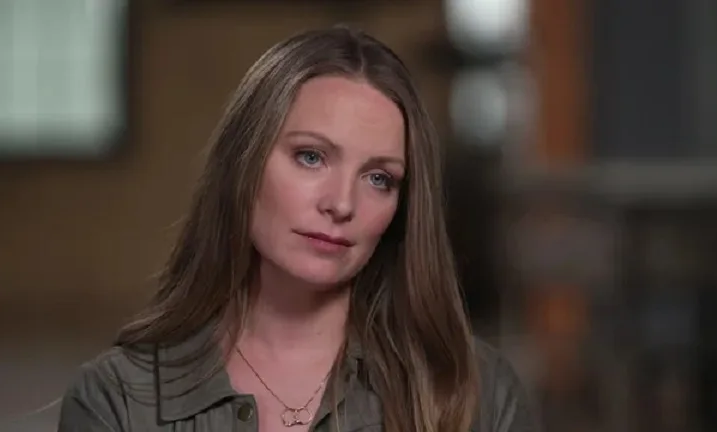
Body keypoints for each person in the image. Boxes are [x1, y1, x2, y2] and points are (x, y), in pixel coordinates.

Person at [57, 25, 536, 432]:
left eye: (379, 178)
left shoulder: (476, 395)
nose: (341, 203)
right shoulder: (117, 400)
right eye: (311, 157)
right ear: (243, 163)